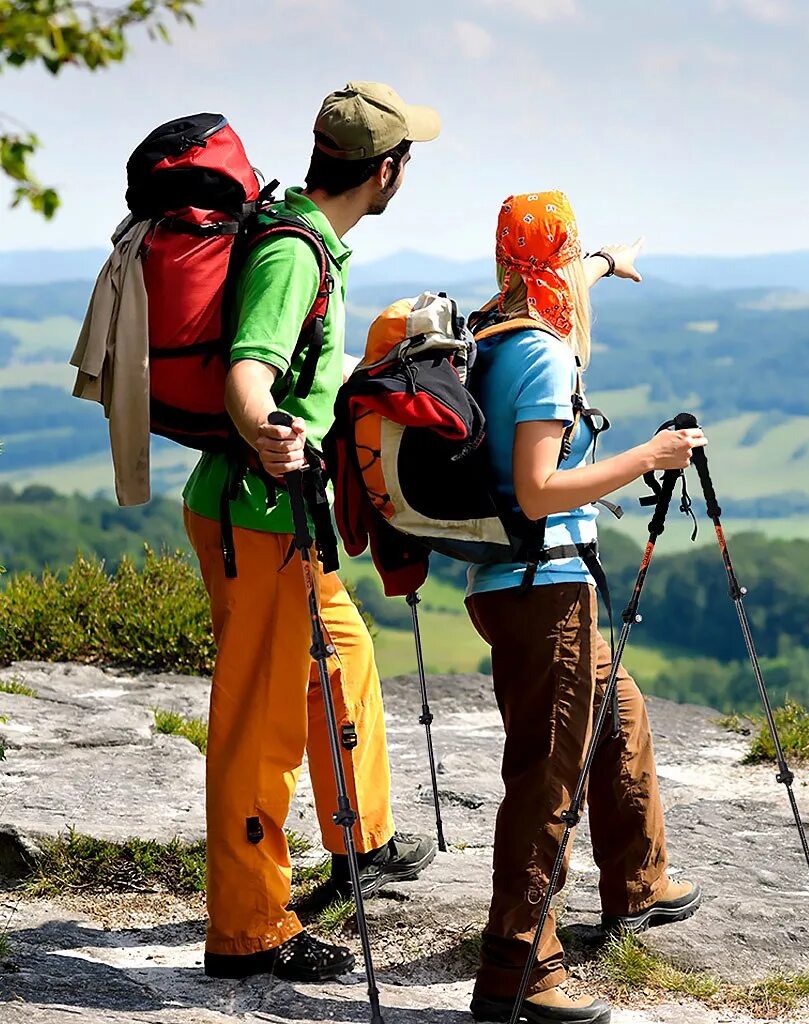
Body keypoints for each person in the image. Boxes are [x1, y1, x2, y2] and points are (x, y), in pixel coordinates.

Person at [181, 82, 441, 982]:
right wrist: (266, 428)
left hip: (278, 512)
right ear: (386, 172)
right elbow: (250, 369)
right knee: (259, 719)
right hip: (256, 516)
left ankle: (359, 839)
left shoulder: (309, 237)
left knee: (344, 651)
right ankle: (249, 930)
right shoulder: (294, 255)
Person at [464, 192, 707, 1024]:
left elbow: (564, 277)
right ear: (551, 265)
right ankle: (519, 970)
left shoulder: (494, 325)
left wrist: (608, 259)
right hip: (544, 588)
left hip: (510, 585)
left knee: (619, 706)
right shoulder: (542, 357)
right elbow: (536, 490)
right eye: (573, 260)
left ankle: (637, 885)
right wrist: (652, 453)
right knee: (545, 779)